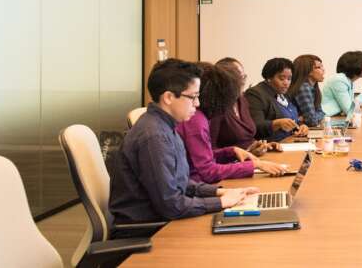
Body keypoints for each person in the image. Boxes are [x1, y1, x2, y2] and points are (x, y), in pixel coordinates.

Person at [109, 59, 256, 225]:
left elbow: (181, 183)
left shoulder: (166, 126)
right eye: (193, 97)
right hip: (148, 229)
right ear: (169, 97)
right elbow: (172, 205)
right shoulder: (154, 136)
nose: (198, 103)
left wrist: (220, 192)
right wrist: (221, 203)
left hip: (163, 218)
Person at [175, 62, 287, 184]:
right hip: (200, 186)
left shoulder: (199, 117)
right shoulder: (196, 120)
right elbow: (207, 171)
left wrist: (231, 151)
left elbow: (203, 156)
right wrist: (254, 165)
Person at [210, 58, 275, 155]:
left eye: (244, 77)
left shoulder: (242, 100)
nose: (243, 82)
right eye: (239, 77)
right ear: (224, 79)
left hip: (251, 159)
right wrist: (246, 152)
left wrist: (260, 145)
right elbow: (211, 149)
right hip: (230, 165)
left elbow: (247, 138)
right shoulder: (216, 107)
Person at [244, 58, 307, 142]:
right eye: (281, 78)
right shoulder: (255, 94)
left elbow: (292, 118)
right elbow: (255, 126)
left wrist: (300, 126)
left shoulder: (284, 93)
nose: (286, 83)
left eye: (289, 79)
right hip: (270, 146)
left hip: (290, 141)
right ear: (269, 77)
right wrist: (276, 124)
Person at [321, 51, 362, 116]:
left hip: (336, 118)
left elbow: (352, 106)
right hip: (327, 120)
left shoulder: (348, 81)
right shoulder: (339, 80)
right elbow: (349, 110)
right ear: (357, 66)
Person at [287, 54, 327, 127]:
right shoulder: (303, 88)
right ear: (308, 71)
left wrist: (304, 118)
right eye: (319, 67)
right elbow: (312, 121)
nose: (323, 70)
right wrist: (313, 116)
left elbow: (321, 112)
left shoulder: (313, 88)